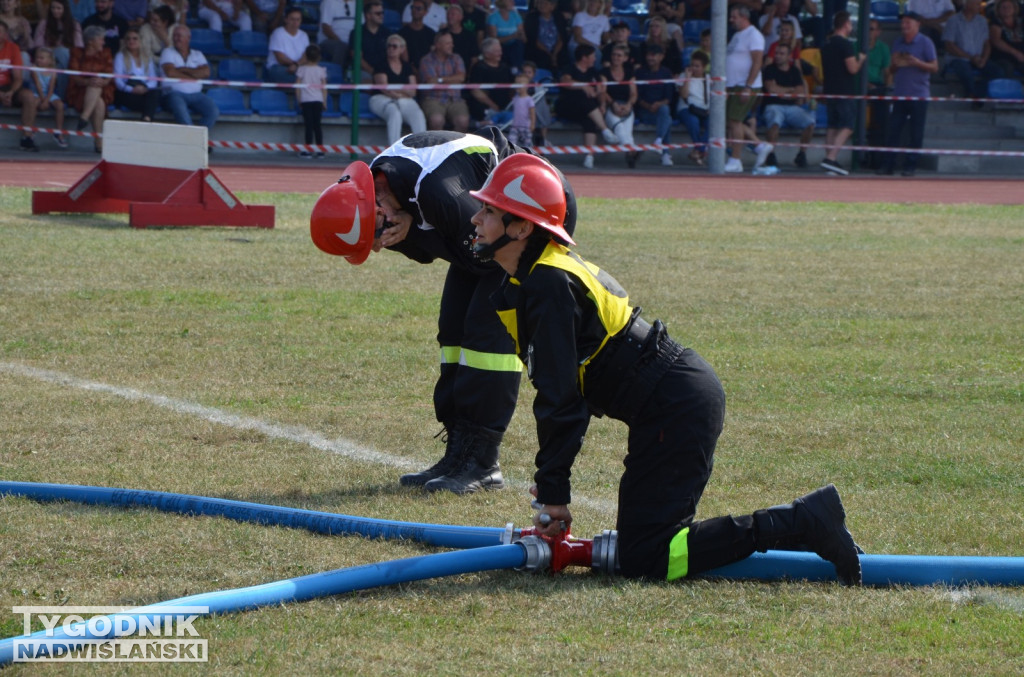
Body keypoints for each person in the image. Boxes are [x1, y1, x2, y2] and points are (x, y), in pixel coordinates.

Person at [466, 152, 863, 587]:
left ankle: (802, 521)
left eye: (489, 211)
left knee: (649, 557)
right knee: (645, 548)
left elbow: (562, 399)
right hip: (668, 402)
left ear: (522, 227)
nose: (475, 219)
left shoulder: (547, 283)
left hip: (676, 405)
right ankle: (810, 535)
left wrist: (554, 494)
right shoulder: (528, 282)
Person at [309, 129, 579, 496]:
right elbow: (433, 245)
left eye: (377, 234)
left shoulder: (436, 189)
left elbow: (484, 253)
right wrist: (413, 231)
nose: (377, 247)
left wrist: (416, 232)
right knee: (452, 332)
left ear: (377, 202)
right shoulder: (379, 192)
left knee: (487, 341)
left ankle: (482, 463)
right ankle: (458, 454)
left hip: (532, 212)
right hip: (487, 227)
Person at [877, 11, 938, 177]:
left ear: (918, 24)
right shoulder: (898, 42)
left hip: (919, 95)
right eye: (903, 23)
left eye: (908, 22)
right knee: (893, 131)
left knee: (916, 133)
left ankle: (910, 166)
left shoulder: (926, 42)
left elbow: (934, 67)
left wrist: (918, 63)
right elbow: (891, 70)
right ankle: (888, 165)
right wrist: (895, 64)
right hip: (900, 94)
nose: (904, 26)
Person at [725, 5, 773, 173]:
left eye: (734, 16)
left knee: (735, 121)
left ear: (744, 17)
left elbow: (757, 62)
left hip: (744, 85)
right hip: (733, 84)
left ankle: (736, 160)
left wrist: (747, 86)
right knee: (730, 120)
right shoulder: (738, 35)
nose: (731, 19)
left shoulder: (754, 35)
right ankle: (759, 146)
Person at [555, 43, 619, 168]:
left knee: (589, 120)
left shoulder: (593, 72)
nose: (595, 59)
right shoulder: (570, 68)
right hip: (567, 106)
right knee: (582, 99)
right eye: (593, 56)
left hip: (587, 109)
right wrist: (583, 86)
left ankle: (589, 156)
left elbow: (600, 91)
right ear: (584, 57)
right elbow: (565, 81)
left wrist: (602, 104)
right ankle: (605, 129)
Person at [820, 10, 865, 175]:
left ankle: (830, 162)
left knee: (832, 126)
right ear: (846, 24)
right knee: (847, 125)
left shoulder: (827, 44)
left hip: (830, 89)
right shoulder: (845, 45)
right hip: (844, 91)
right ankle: (831, 158)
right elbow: (852, 69)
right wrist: (861, 60)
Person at [761, 42, 815, 169]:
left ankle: (801, 154)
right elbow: (771, 89)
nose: (778, 56)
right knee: (775, 121)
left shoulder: (795, 71)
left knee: (810, 122)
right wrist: (791, 91)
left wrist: (782, 91)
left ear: (789, 56)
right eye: (777, 53)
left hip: (792, 107)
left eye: (782, 54)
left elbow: (800, 92)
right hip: (773, 105)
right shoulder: (769, 69)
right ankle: (771, 154)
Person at [160, 24, 219, 134]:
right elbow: (171, 72)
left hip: (196, 94)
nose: (176, 38)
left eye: (179, 36)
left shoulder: (198, 54)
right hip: (173, 93)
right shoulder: (167, 52)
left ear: (188, 38)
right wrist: (194, 75)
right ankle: (193, 141)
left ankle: (195, 139)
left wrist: (182, 69)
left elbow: (206, 73)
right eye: (175, 36)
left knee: (213, 111)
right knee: (181, 111)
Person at [942, 0, 1002, 105]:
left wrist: (984, 59)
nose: (980, 6)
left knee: (997, 71)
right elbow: (949, 45)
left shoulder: (982, 21)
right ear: (967, 4)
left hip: (978, 57)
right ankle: (973, 95)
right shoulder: (953, 20)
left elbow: (987, 44)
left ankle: (977, 94)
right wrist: (970, 58)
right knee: (965, 71)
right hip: (958, 58)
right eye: (977, 4)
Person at [369, 34, 426, 143]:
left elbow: (413, 91)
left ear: (402, 49)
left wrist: (398, 92)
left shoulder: (407, 67)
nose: (391, 48)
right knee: (394, 111)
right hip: (381, 98)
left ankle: (422, 148)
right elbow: (385, 89)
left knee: (417, 113)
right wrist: (404, 91)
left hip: (402, 99)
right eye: (389, 46)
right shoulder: (381, 65)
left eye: (394, 46)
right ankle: (393, 151)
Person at [67, 24, 114, 151]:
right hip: (80, 90)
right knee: (98, 102)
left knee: (96, 88)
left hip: (103, 89)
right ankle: (99, 143)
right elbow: (74, 76)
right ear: (90, 41)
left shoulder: (106, 53)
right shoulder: (77, 53)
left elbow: (109, 75)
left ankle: (84, 117)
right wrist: (88, 82)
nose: (103, 42)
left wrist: (102, 82)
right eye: (100, 39)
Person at [418, 29, 469, 132]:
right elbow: (431, 81)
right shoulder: (426, 60)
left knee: (463, 121)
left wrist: (440, 79)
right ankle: (437, 147)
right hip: (433, 99)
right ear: (438, 45)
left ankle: (456, 147)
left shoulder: (457, 58)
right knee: (436, 120)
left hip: (455, 99)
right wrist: (452, 79)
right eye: (447, 43)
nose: (452, 45)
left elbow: (461, 78)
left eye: (451, 43)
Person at [0, 19, 39, 151]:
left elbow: (18, 77)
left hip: (8, 85)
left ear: (5, 34)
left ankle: (27, 137)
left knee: (28, 96)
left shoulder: (13, 48)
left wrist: (10, 92)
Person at [635, 43, 675, 167]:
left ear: (661, 57)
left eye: (654, 55)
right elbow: (637, 97)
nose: (650, 58)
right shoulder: (640, 72)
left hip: (660, 110)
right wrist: (648, 106)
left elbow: (669, 97)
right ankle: (665, 153)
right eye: (649, 55)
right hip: (644, 111)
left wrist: (658, 104)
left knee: (665, 111)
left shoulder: (666, 73)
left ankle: (658, 141)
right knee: (667, 119)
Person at [600, 42, 638, 167]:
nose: (616, 58)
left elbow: (633, 93)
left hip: (626, 107)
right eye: (614, 55)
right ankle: (632, 152)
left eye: (619, 55)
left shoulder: (629, 73)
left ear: (625, 58)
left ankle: (630, 155)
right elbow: (603, 91)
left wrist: (628, 105)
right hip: (611, 107)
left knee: (628, 132)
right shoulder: (604, 72)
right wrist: (613, 103)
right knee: (620, 128)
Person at [113, 27, 160, 121]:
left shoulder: (147, 57)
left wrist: (145, 88)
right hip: (127, 91)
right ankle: (147, 118)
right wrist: (132, 90)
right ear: (125, 41)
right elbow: (118, 81)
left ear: (140, 41)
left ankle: (146, 118)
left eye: (135, 38)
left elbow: (153, 79)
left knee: (156, 93)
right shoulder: (120, 56)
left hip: (144, 90)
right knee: (150, 103)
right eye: (128, 38)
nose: (131, 41)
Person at [25, 46, 68, 147]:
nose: (38, 60)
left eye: (42, 58)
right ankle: (31, 130)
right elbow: (38, 85)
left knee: (60, 105)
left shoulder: (53, 71)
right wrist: (43, 100)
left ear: (49, 60)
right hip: (36, 92)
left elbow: (51, 87)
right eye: (37, 58)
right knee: (33, 103)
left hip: (48, 94)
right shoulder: (34, 69)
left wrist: (47, 100)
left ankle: (58, 133)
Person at [466, 37, 513, 126]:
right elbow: (475, 90)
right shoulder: (478, 68)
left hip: (505, 106)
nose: (500, 53)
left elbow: (512, 86)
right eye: (497, 51)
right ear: (487, 54)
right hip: (484, 108)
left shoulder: (505, 67)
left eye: (500, 50)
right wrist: (493, 106)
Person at [676, 49, 709, 165]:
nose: (694, 68)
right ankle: (701, 150)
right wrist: (688, 78)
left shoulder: (709, 78)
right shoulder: (683, 76)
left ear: (704, 67)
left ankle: (697, 150)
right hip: (687, 108)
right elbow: (683, 94)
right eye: (692, 65)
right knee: (693, 121)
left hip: (704, 110)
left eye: (697, 66)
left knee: (715, 124)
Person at [866, 18, 891, 168]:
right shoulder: (856, 46)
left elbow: (887, 73)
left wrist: (887, 90)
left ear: (878, 32)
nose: (869, 32)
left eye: (872, 29)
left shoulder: (883, 48)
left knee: (882, 116)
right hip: (858, 86)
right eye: (867, 28)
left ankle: (879, 158)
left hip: (876, 86)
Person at [294, 43, 326, 157]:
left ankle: (307, 150)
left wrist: (299, 100)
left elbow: (297, 86)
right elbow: (324, 87)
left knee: (308, 125)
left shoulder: (301, 69)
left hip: (306, 100)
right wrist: (324, 101)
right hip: (318, 100)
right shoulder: (321, 70)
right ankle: (320, 150)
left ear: (306, 56)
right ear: (319, 57)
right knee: (317, 125)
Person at [32, 0, 82, 70]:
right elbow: (38, 46)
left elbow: (78, 46)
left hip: (68, 56)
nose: (55, 11)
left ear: (65, 9)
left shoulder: (74, 24)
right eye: (53, 8)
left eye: (58, 8)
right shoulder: (44, 24)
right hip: (47, 55)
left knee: (62, 53)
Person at [349, 0, 390, 84]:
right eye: (378, 13)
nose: (381, 16)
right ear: (368, 15)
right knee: (368, 83)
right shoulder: (357, 32)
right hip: (364, 71)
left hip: (384, 72)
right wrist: (373, 72)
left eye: (382, 13)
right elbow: (357, 57)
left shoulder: (387, 33)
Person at [266, 6, 308, 83]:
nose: (295, 22)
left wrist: (296, 65)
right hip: (279, 67)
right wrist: (295, 65)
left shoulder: (304, 35)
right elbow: (280, 58)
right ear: (286, 19)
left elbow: (306, 56)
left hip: (298, 67)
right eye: (292, 19)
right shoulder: (277, 33)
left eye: (298, 19)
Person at [523, 0, 565, 73]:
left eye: (545, 3)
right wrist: (549, 54)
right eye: (540, 3)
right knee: (544, 58)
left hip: (556, 48)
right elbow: (533, 39)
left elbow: (561, 37)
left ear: (552, 6)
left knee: (563, 57)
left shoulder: (558, 16)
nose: (542, 5)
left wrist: (554, 54)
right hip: (539, 49)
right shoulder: (532, 17)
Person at [487, 0, 525, 72]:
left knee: (518, 44)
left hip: (515, 48)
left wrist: (520, 36)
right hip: (500, 46)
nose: (513, 3)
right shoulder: (493, 18)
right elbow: (493, 39)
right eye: (510, 1)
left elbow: (522, 36)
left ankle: (516, 69)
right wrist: (512, 36)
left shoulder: (516, 16)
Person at [988, 0, 1024, 78]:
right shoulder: (996, 23)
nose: (1006, 9)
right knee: (1007, 68)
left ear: (1014, 9)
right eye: (1003, 7)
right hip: (1003, 58)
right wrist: (1016, 53)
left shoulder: (1020, 21)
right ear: (998, 10)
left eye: (1009, 7)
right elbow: (996, 41)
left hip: (1021, 57)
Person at [399, 0, 435, 74]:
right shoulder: (402, 33)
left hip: (427, 71)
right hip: (406, 71)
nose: (414, 10)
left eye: (418, 8)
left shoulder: (431, 33)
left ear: (425, 12)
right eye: (412, 7)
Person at [318, 0, 355, 71]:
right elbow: (326, 28)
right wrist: (341, 42)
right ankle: (336, 75)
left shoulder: (358, 4)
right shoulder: (329, 2)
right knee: (341, 47)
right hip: (330, 41)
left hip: (352, 42)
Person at [444, 3, 476, 69]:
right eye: (448, 14)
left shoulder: (469, 36)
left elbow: (474, 57)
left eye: (453, 14)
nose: (449, 16)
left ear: (460, 17)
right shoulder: (442, 34)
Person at [507, 71, 534, 147]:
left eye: (520, 84)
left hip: (526, 127)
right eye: (516, 83)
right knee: (511, 143)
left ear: (527, 86)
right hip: (515, 126)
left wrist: (532, 124)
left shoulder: (529, 99)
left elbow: (532, 113)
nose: (518, 86)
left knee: (527, 145)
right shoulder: (515, 98)